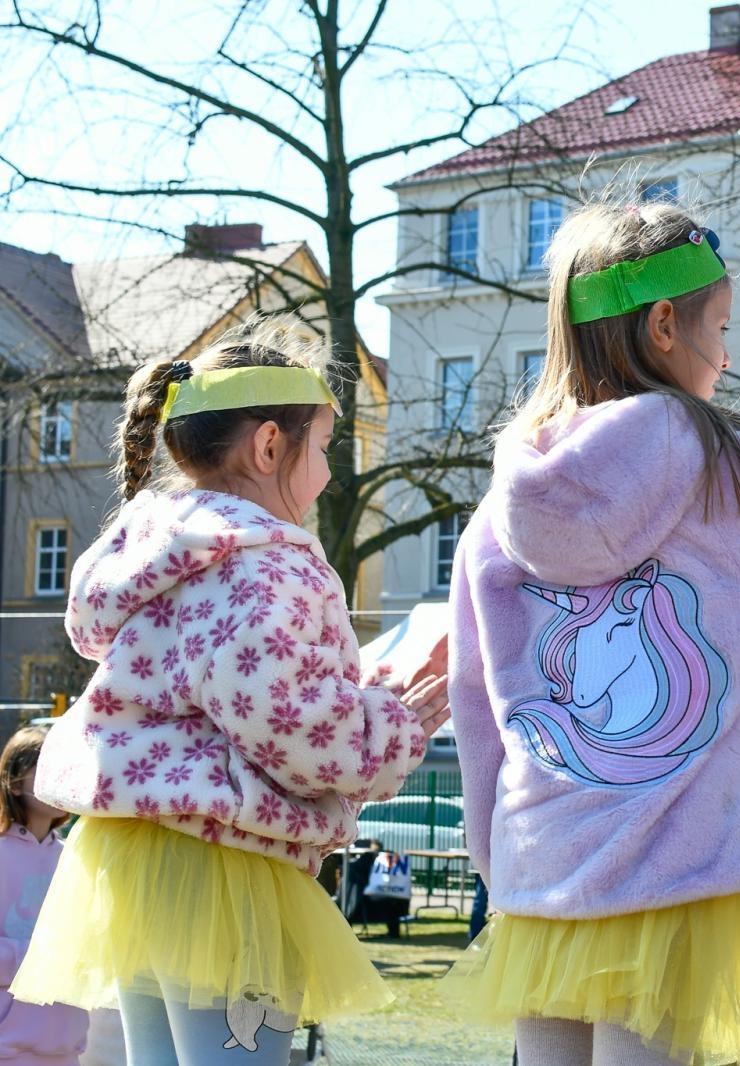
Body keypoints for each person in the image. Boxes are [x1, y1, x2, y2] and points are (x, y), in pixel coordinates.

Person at [440, 197, 740, 1066]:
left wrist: (498, 858)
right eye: (721, 326)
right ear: (666, 325)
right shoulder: (721, 469)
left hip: (545, 868)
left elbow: (477, 702)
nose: (729, 352)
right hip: (685, 876)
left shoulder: (495, 512)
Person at [9, 321, 451, 1065]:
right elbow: (293, 728)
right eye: (324, 450)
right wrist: (397, 723)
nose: (329, 477)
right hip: (227, 868)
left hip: (136, 861)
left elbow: (242, 693)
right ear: (270, 446)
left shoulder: (155, 558)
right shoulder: (268, 565)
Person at [1, 727, 90, 1065]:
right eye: (46, 767)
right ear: (15, 779)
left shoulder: (76, 859)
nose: (59, 778)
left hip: (67, 1045)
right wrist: (44, 961)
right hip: (9, 1048)